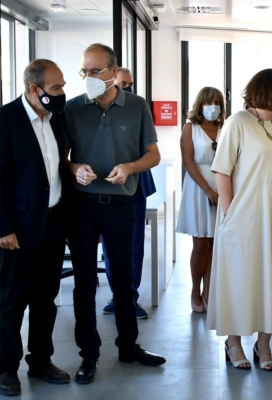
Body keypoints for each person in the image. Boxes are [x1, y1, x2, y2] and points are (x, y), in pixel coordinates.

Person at [64, 43, 165, 384]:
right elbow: (60, 157)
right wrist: (75, 168)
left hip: (121, 205)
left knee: (123, 280)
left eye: (95, 71)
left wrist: (130, 167)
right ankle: (88, 355)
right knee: (85, 283)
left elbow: (153, 154)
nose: (89, 78)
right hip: (82, 207)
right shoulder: (73, 108)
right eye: (84, 72)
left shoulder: (136, 106)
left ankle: (128, 346)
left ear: (113, 71)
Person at [207, 69, 272, 371]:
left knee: (271, 277)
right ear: (268, 90)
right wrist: (229, 212)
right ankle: (233, 342)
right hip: (244, 215)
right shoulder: (238, 122)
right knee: (241, 278)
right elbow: (222, 170)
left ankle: (264, 344)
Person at [0, 59, 71, 396]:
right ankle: (6, 368)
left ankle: (41, 360)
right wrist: (3, 228)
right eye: (56, 88)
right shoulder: (5, 120)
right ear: (34, 89)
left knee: (46, 299)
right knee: (11, 301)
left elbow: (56, 166)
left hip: (52, 223)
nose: (62, 94)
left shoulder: (55, 119)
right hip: (16, 231)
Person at [101, 67, 156, 319]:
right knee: (110, 247)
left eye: (130, 84)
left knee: (134, 245)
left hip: (135, 185)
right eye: (122, 84)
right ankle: (117, 295)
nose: (127, 89)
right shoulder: (93, 111)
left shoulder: (138, 109)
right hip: (105, 186)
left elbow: (150, 150)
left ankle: (130, 296)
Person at [176, 87, 225, 313]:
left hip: (222, 185)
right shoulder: (190, 128)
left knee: (216, 242)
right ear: (200, 104)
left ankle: (209, 291)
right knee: (201, 242)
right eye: (209, 102)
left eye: (217, 102)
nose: (213, 106)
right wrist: (207, 190)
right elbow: (188, 163)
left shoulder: (225, 128)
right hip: (199, 187)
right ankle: (196, 290)